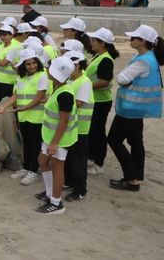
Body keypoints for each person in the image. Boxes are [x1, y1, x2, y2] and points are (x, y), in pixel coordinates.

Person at [108, 25, 164, 192]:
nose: (130, 40)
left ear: (143, 41)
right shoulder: (149, 57)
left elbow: (122, 78)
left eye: (134, 38)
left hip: (130, 109)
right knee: (135, 141)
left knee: (114, 140)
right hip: (138, 108)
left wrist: (125, 78)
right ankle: (135, 178)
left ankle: (132, 177)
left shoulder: (143, 61)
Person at [0, 49, 47, 186]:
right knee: (27, 143)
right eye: (28, 64)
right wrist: (4, 107)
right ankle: (26, 168)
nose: (32, 66)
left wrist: (25, 107)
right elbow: (15, 95)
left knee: (35, 144)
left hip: (37, 117)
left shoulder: (42, 76)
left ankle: (34, 171)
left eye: (34, 63)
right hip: (23, 116)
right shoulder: (20, 77)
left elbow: (40, 96)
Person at [34, 56, 77, 215]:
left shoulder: (65, 94)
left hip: (59, 139)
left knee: (57, 167)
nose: (46, 70)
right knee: (42, 160)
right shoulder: (59, 88)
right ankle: (50, 193)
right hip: (50, 136)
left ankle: (56, 202)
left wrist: (54, 143)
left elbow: (63, 122)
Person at [83, 28, 119, 175]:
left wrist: (84, 86)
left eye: (93, 40)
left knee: (98, 131)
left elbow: (104, 82)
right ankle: (91, 157)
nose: (90, 43)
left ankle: (99, 162)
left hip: (100, 101)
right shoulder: (99, 56)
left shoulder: (105, 59)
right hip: (94, 100)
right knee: (92, 130)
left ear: (102, 43)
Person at [62, 50, 93, 201]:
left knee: (78, 160)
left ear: (78, 65)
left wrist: (59, 103)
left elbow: (79, 103)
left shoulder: (85, 82)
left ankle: (80, 189)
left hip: (80, 128)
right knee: (69, 158)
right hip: (70, 127)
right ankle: (69, 182)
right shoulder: (70, 80)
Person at [0, 24, 22, 108]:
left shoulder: (15, 47)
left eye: (5, 35)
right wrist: (0, 61)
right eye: (1, 35)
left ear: (11, 35)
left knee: (5, 105)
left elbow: (4, 63)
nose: (3, 37)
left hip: (7, 81)